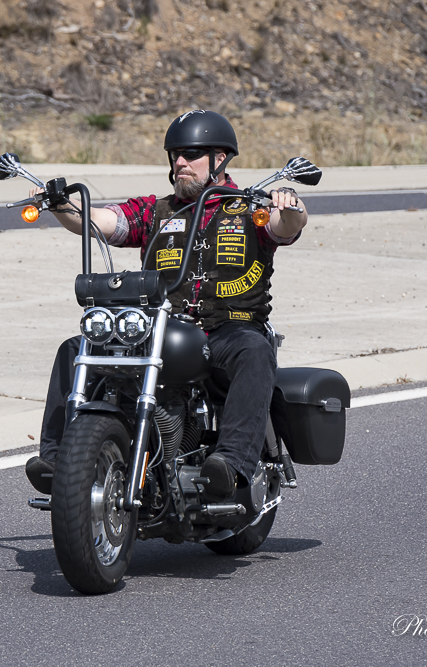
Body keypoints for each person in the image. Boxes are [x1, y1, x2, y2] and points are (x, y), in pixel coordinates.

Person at [25, 109, 308, 501]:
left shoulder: (251, 208)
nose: (180, 163)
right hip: (160, 329)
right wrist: (60, 205)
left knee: (254, 350)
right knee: (76, 348)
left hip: (227, 329)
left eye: (191, 155)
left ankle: (230, 463)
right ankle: (59, 462)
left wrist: (291, 207)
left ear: (219, 158)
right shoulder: (154, 212)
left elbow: (286, 226)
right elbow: (100, 221)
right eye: (175, 155)